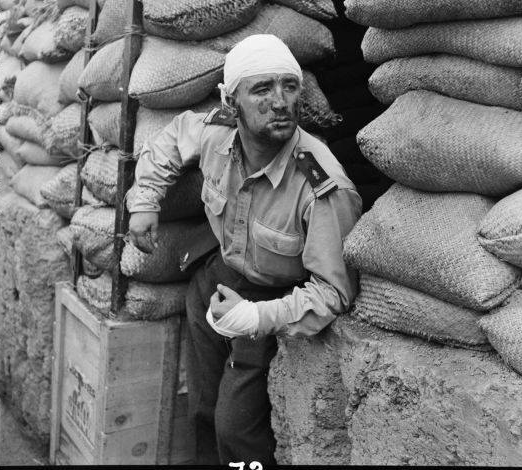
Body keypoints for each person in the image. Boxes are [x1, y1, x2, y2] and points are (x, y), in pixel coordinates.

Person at [127, 34, 362, 465]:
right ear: (230, 103)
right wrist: (144, 201)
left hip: (273, 300)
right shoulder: (217, 133)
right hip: (215, 281)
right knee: (200, 403)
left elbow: (335, 293)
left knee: (235, 428)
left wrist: (254, 317)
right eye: (262, 89)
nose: (281, 102)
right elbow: (172, 137)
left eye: (289, 86)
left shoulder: (321, 186)